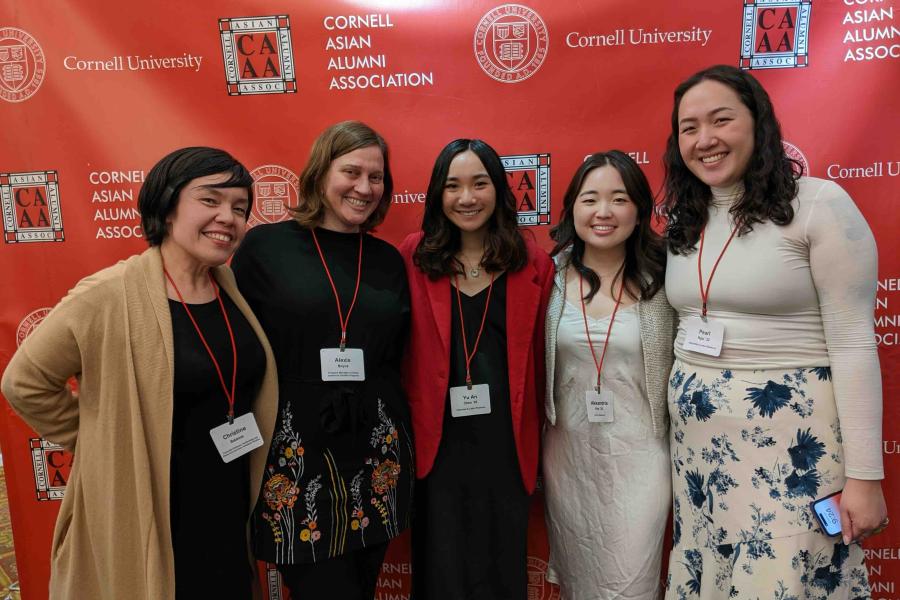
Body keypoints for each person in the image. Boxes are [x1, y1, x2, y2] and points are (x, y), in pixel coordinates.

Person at [1, 147, 278, 600]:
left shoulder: (229, 288)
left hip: (224, 507)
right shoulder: (107, 295)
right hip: (150, 512)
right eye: (210, 200)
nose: (228, 217)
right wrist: (102, 439)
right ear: (167, 207)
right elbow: (24, 383)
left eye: (240, 208)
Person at [663, 64, 887, 598]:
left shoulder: (819, 205)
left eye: (722, 120)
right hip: (699, 462)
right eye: (688, 127)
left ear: (759, 124)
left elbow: (856, 346)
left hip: (792, 459)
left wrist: (866, 477)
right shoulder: (684, 219)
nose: (705, 139)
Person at [230, 121, 413, 599]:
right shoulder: (265, 248)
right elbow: (236, 347)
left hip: (376, 453)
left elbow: (395, 356)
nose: (364, 187)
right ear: (319, 173)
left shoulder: (388, 260)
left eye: (376, 177)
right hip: (294, 453)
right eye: (351, 171)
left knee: (361, 585)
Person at [399, 138, 554, 600]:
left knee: (500, 562)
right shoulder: (413, 255)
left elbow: (547, 354)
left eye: (479, 184)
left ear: (499, 191)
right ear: (437, 194)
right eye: (453, 186)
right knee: (439, 563)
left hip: (505, 440)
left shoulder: (533, 264)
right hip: (437, 441)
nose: (467, 198)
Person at [542, 150, 674, 599]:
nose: (603, 212)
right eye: (589, 198)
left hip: (642, 456)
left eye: (618, 199)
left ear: (639, 211)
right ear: (571, 209)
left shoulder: (666, 281)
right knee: (579, 579)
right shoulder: (549, 279)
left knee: (631, 581)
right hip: (569, 457)